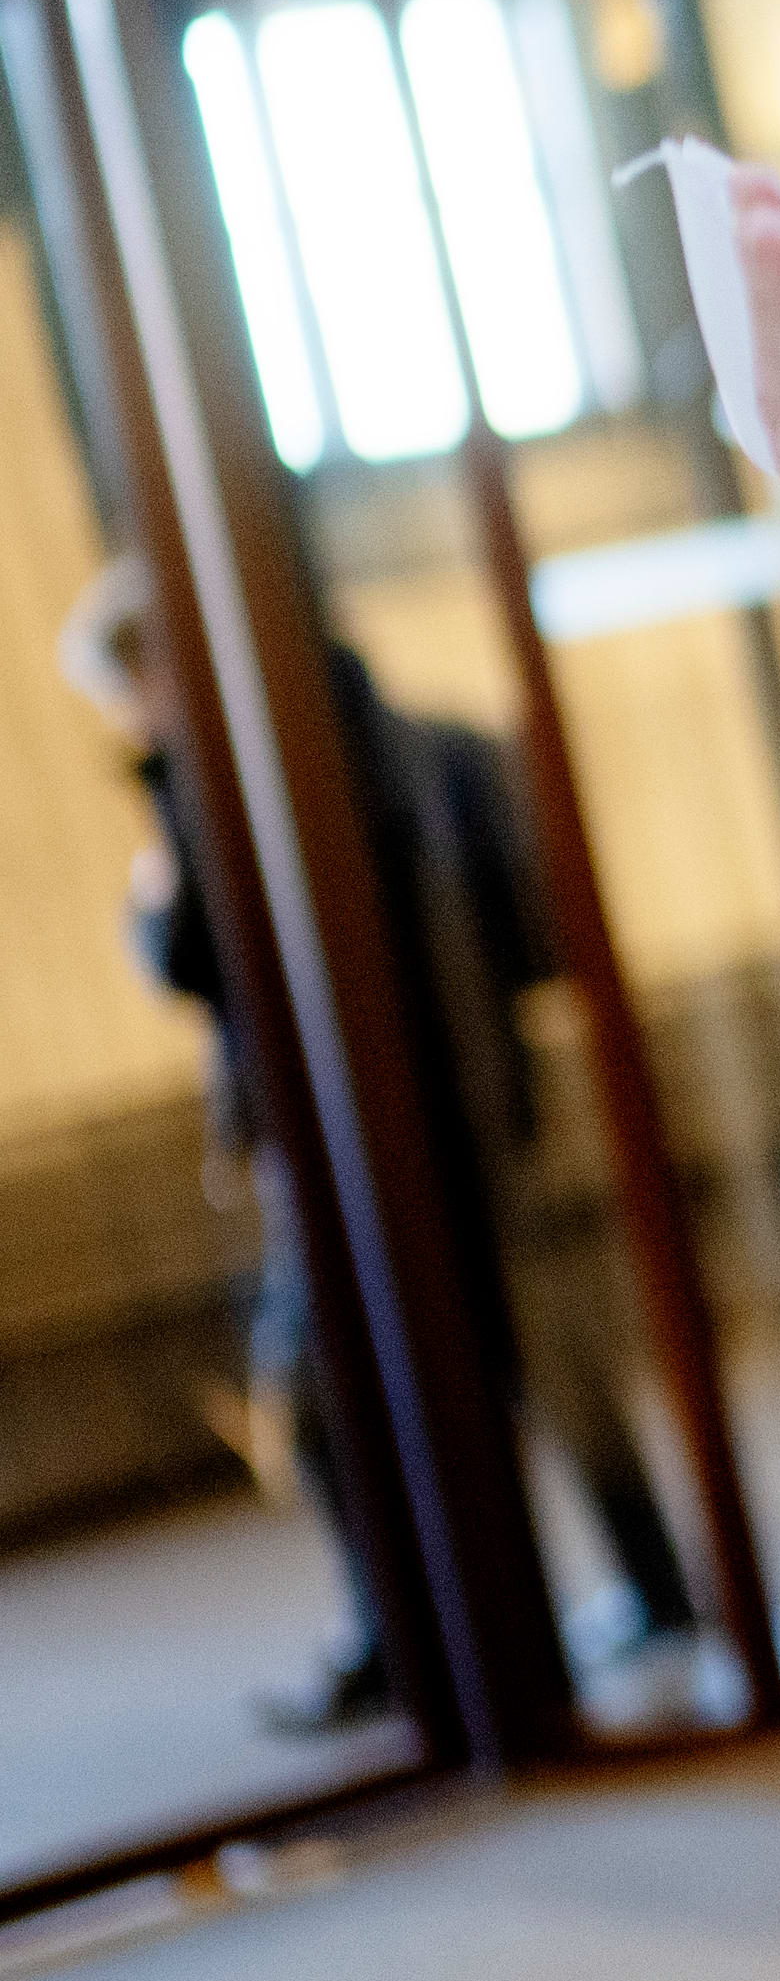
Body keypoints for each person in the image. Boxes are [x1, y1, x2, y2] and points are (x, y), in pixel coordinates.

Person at [58, 559, 700, 1717]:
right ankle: (638, 1591)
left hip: (360, 1135)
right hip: (470, 1105)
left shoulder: (238, 782)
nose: (134, 722)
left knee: (323, 1388)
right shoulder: (413, 746)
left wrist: (166, 826)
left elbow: (188, 954)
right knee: (533, 1352)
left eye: (131, 696)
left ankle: (402, 1632)